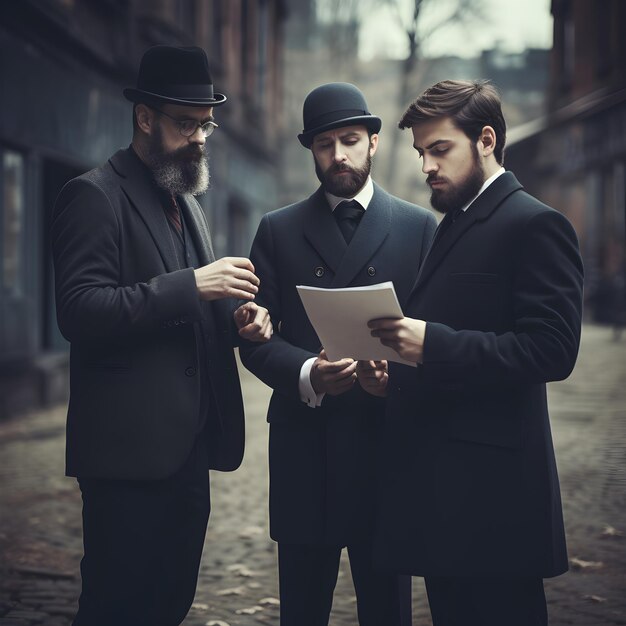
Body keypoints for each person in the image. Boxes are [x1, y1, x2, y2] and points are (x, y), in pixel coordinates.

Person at [51, 45, 272, 626]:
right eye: (185, 124)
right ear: (144, 118)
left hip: (187, 451)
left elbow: (193, 313)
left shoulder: (186, 201)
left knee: (169, 604)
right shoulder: (94, 196)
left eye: (206, 125)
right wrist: (191, 285)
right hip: (126, 457)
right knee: (115, 608)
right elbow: (79, 311)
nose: (199, 138)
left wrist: (237, 324)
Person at [359, 79, 584, 626]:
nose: (427, 168)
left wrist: (430, 343)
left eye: (440, 150)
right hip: (446, 500)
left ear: (486, 140)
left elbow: (552, 350)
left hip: (497, 505)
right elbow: (462, 343)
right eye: (421, 154)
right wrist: (398, 376)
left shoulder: (536, 224)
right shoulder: (452, 222)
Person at [239, 82, 436, 626]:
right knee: (301, 610)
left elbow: (439, 336)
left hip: (387, 446)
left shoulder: (419, 227)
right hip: (308, 452)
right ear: (312, 151)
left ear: (373, 142)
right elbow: (254, 342)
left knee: (387, 611)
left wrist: (393, 379)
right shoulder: (277, 230)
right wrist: (307, 373)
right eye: (325, 144)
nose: (338, 155)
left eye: (350, 140)